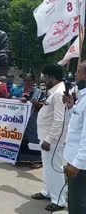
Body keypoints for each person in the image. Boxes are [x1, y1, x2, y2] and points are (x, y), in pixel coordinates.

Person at [31, 64, 67, 212]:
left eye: (46, 77)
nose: (45, 80)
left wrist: (49, 139)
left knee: (54, 168)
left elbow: (59, 119)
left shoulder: (59, 93)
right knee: (47, 167)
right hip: (46, 138)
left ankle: (59, 200)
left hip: (52, 141)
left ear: (52, 77)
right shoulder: (55, 92)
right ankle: (47, 191)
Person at [63, 62, 86, 214]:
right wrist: (71, 108)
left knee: (78, 204)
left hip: (81, 166)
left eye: (78, 71)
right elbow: (77, 126)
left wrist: (77, 164)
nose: (75, 74)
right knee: (74, 200)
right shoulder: (82, 97)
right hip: (75, 158)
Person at [17, 74, 46, 165]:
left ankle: (35, 160)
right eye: (25, 80)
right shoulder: (19, 91)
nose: (26, 83)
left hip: (33, 120)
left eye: (29, 81)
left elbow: (45, 106)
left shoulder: (38, 92)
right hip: (20, 120)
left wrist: (37, 104)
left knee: (32, 139)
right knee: (21, 138)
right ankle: (20, 159)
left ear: (33, 82)